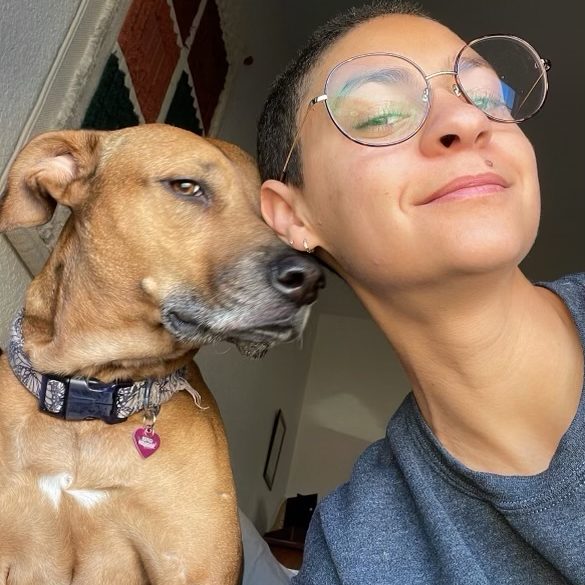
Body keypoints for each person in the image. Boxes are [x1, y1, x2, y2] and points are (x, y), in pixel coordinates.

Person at [256, 1, 585, 583]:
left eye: (487, 96)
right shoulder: (351, 558)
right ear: (293, 216)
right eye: (381, 113)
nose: (467, 120)